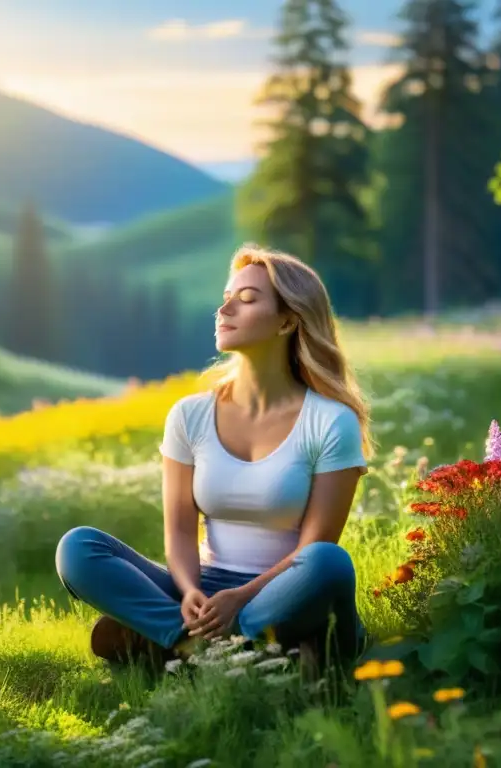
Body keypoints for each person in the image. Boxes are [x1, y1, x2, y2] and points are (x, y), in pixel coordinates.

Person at [56, 244, 374, 671]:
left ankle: (168, 640)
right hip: (206, 589)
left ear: (287, 321)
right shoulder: (190, 415)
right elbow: (181, 532)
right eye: (225, 296)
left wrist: (240, 598)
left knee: (329, 563)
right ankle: (199, 645)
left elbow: (314, 546)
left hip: (282, 590)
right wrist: (189, 592)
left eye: (245, 299)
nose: (224, 309)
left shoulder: (332, 421)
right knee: (78, 548)